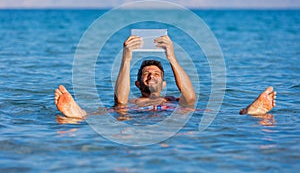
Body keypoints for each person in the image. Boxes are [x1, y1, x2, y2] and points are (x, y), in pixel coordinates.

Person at [54, 35, 277, 119]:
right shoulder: (131, 101)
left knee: (205, 109)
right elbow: (120, 101)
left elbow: (189, 96)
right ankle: (79, 114)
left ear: (164, 82)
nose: (151, 76)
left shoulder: (174, 100)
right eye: (146, 74)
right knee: (114, 110)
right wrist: (127, 56)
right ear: (138, 83)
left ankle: (249, 111)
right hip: (135, 115)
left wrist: (171, 56)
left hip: (174, 115)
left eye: (156, 74)